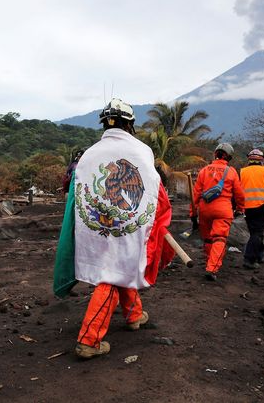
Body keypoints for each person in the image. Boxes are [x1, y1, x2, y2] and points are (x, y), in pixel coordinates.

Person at [53, 99, 174, 359]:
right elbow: (157, 192)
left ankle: (133, 315)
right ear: (130, 124)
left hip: (94, 225)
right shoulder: (141, 152)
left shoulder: (89, 154)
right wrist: (161, 218)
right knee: (112, 273)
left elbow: (76, 193)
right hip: (129, 224)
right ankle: (89, 340)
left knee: (116, 266)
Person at [190, 143, 245, 281]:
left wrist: (193, 213)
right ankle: (212, 268)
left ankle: (209, 262)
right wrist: (240, 209)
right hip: (223, 209)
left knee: (208, 239)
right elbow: (239, 195)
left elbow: (195, 194)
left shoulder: (204, 170)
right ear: (229, 157)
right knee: (219, 238)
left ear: (215, 154)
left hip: (205, 209)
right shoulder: (231, 172)